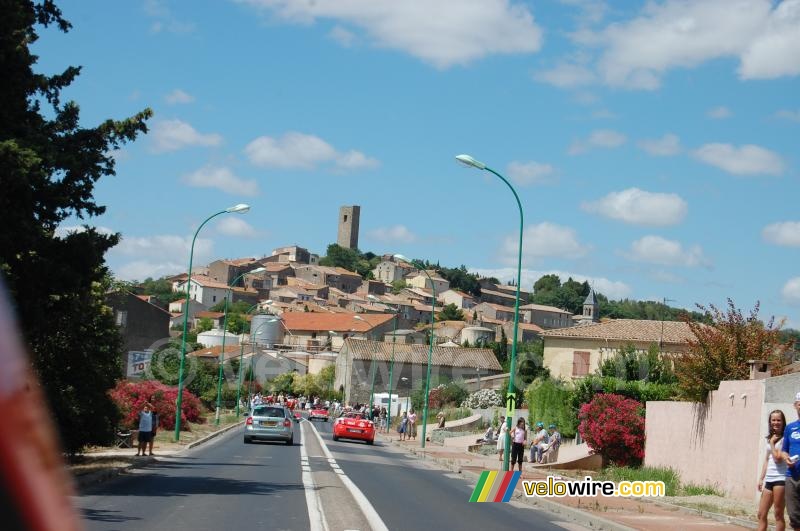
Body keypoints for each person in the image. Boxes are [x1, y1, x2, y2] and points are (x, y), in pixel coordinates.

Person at [758, 409, 787, 531]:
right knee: (761, 514)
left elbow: (777, 458)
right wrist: (761, 478)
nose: (776, 422)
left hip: (781, 479)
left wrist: (772, 443)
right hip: (769, 479)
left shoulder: (785, 438)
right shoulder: (770, 438)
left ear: (783, 422)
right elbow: (767, 459)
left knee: (778, 515)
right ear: (770, 422)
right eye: (773, 420)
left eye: (778, 420)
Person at [782, 393, 800, 531]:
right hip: (792, 476)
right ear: (795, 406)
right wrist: (786, 458)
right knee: (794, 516)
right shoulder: (790, 428)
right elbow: (784, 450)